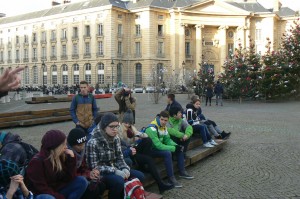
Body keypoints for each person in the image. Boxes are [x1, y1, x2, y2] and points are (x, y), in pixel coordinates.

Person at [86, 112, 145, 199]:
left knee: (140, 176)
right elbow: (94, 167)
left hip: (115, 168)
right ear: (104, 126)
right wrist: (115, 171)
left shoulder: (116, 138)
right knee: (118, 182)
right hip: (102, 173)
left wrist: (124, 168)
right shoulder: (93, 142)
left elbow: (119, 158)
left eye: (116, 126)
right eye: (111, 126)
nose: (115, 129)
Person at [119, 110, 174, 193]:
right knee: (149, 159)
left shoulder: (132, 128)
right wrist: (131, 146)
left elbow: (145, 135)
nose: (127, 125)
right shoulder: (120, 130)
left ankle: (144, 165)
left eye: (129, 123)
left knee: (147, 140)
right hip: (129, 153)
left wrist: (138, 135)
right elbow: (122, 147)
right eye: (126, 123)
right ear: (122, 122)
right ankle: (160, 184)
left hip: (134, 150)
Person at [25, 130, 88, 199]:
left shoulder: (61, 155)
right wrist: (60, 197)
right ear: (56, 146)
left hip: (56, 191)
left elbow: (69, 178)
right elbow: (41, 189)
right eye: (63, 144)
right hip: (40, 195)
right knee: (48, 198)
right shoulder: (36, 162)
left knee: (82, 181)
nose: (66, 147)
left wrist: (72, 159)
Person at [145, 111, 194, 189]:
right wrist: (173, 148)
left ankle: (182, 171)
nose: (164, 122)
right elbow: (158, 145)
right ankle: (171, 178)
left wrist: (176, 146)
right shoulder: (151, 129)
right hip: (150, 150)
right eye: (162, 119)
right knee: (167, 153)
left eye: (165, 120)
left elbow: (167, 140)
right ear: (158, 118)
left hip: (158, 147)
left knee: (179, 148)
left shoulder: (163, 127)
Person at [67, 128, 106, 199]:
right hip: (73, 182)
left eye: (83, 144)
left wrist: (91, 173)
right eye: (79, 145)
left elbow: (84, 167)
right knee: (93, 190)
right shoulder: (67, 154)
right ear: (72, 145)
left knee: (101, 185)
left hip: (83, 177)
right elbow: (70, 174)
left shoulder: (82, 151)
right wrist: (88, 175)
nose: (82, 147)